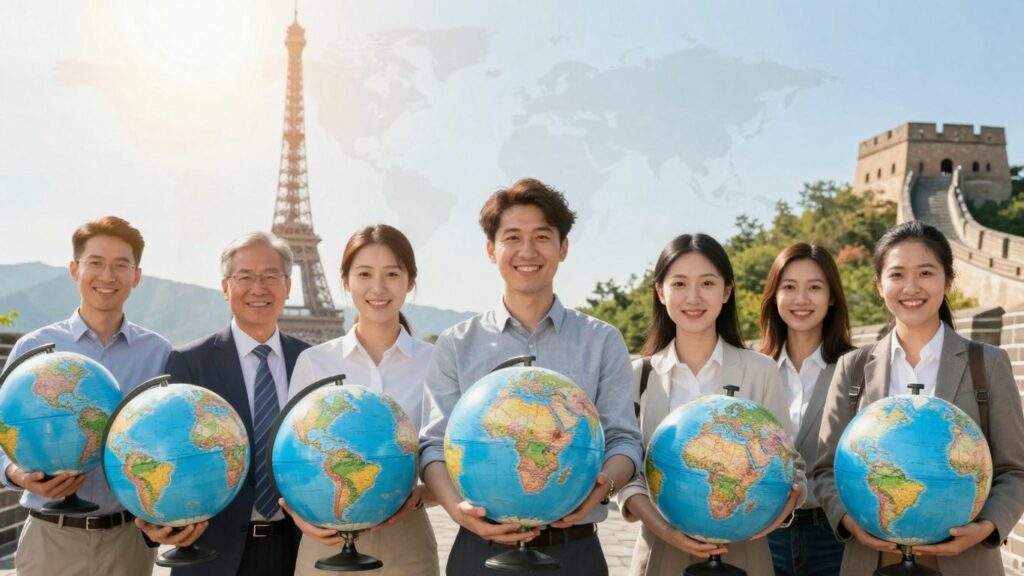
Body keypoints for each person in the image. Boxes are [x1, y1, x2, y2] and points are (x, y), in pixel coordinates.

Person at [420, 178, 644, 575]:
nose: (528, 251)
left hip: (574, 550)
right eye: (513, 237)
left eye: (542, 236)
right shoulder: (456, 343)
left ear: (563, 248)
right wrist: (457, 510)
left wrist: (601, 488)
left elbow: (624, 438)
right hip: (479, 548)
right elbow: (434, 445)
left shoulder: (602, 341)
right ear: (492, 249)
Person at [812, 221, 1024, 575]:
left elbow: (1015, 469)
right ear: (880, 285)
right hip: (872, 560)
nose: (911, 287)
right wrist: (851, 522)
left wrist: (985, 529)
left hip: (963, 562)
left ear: (948, 281)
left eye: (926, 272)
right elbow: (823, 470)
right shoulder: (853, 367)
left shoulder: (986, 364)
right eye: (897, 274)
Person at [618, 233, 805, 576]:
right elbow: (628, 473)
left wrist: (783, 507)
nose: (693, 297)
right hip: (661, 555)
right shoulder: (638, 375)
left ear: (727, 291)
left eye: (707, 282)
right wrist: (666, 531)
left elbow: (790, 463)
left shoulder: (760, 371)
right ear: (661, 292)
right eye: (679, 283)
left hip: (744, 554)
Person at [0, 216, 172, 576]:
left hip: (129, 542)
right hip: (51, 540)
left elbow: (172, 439)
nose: (107, 276)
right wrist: (16, 473)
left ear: (136, 276)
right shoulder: (33, 348)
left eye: (120, 265)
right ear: (75, 269)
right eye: (95, 263)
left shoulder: (159, 354)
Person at [139, 231, 311, 576]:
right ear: (225, 287)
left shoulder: (311, 361)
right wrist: (154, 520)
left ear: (288, 286)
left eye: (270, 276)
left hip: (298, 550)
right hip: (211, 552)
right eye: (244, 276)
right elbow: (161, 451)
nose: (258, 288)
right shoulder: (189, 362)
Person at [281, 224, 439, 576]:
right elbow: (291, 453)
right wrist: (299, 517)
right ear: (346, 281)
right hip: (326, 537)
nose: (378, 288)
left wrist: (422, 496)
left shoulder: (435, 362)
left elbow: (452, 453)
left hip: (407, 538)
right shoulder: (315, 362)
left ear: (409, 282)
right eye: (364, 274)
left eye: (392, 274)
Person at [759, 243, 854, 576]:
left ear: (831, 297)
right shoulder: (753, 369)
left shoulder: (858, 368)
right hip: (761, 534)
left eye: (814, 287)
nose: (801, 299)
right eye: (789, 287)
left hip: (835, 536)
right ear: (774, 296)